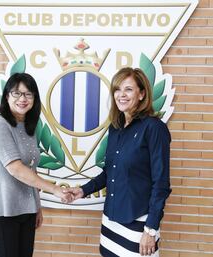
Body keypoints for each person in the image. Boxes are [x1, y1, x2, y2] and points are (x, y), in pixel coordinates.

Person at [66, 67, 172, 257]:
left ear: (142, 94)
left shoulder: (154, 128)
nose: (121, 95)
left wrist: (150, 230)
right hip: (111, 220)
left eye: (128, 89)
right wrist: (83, 190)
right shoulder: (115, 127)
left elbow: (161, 184)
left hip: (139, 224)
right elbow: (109, 172)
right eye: (117, 89)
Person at [0, 73, 73, 257]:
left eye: (28, 94)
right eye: (17, 93)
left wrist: (36, 207)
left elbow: (31, 169)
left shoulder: (29, 126)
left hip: (27, 212)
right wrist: (54, 189)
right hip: (2, 211)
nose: (23, 99)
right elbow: (16, 168)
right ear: (7, 96)